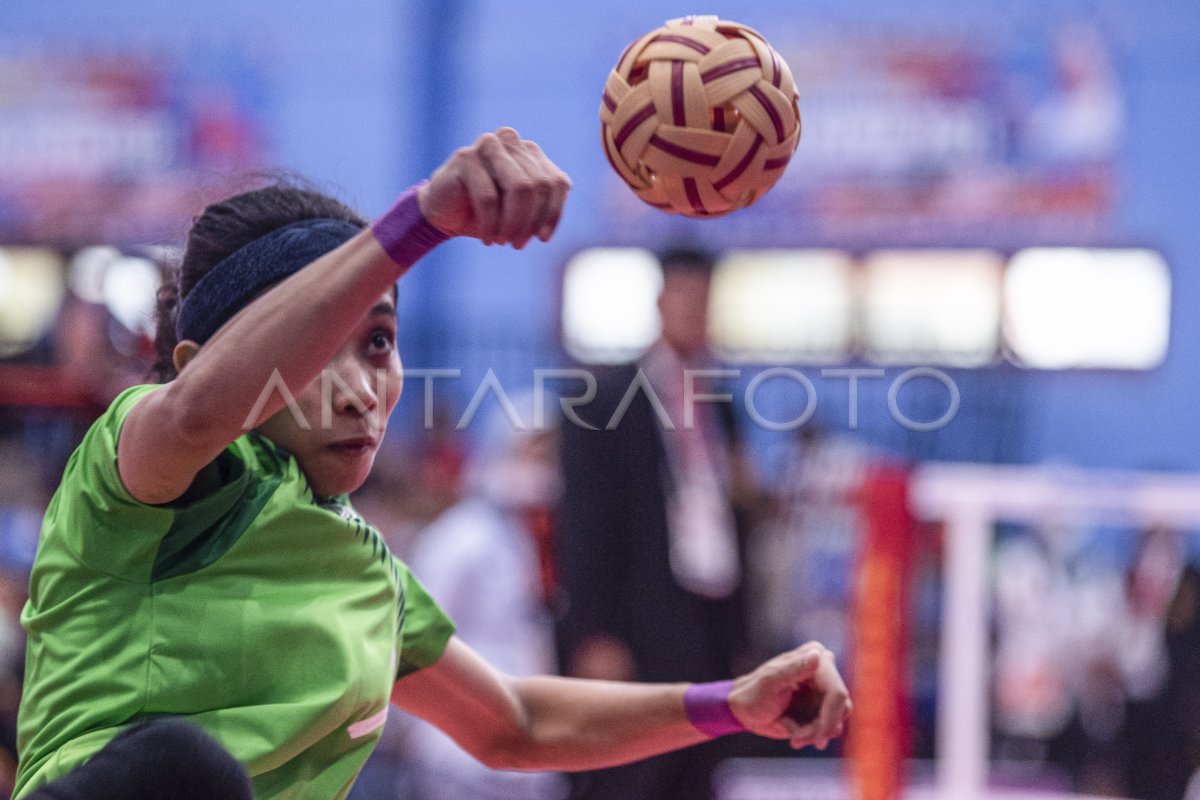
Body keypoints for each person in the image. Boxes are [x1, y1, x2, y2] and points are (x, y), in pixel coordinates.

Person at [13, 128, 850, 800]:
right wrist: (420, 221)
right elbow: (197, 407)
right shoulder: (140, 475)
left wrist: (728, 704)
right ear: (198, 359)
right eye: (314, 350)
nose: (359, 391)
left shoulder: (368, 573)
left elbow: (514, 722)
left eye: (377, 342)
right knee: (183, 769)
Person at [556, 245, 764, 800]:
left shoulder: (720, 403)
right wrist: (596, 631)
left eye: (705, 300)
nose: (696, 312)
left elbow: (729, 514)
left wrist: (741, 630)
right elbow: (586, 521)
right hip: (641, 618)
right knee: (630, 775)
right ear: (660, 301)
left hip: (708, 615)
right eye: (686, 297)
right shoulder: (605, 398)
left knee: (699, 772)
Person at [400, 394, 567, 800]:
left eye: (551, 454)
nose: (543, 466)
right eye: (534, 451)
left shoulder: (536, 539)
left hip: (529, 746)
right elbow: (412, 640)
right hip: (456, 756)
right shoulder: (460, 537)